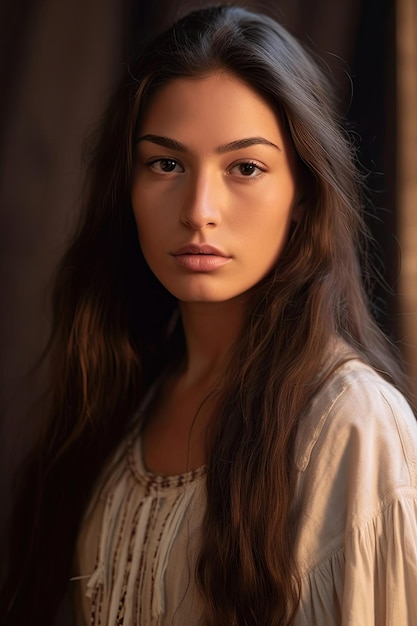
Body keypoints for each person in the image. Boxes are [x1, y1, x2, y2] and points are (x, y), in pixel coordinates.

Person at [2, 4, 417, 625]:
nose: (199, 210)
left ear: (302, 196)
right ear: (129, 186)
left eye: (244, 168)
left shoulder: (350, 425)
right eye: (165, 164)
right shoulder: (122, 388)